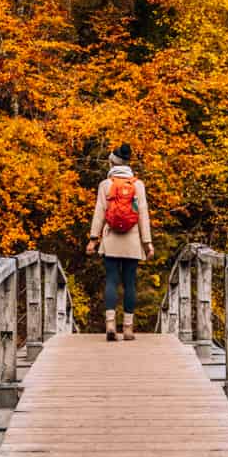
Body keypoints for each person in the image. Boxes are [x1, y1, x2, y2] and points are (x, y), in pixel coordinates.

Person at [86, 143, 153, 341]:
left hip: (111, 240)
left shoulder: (105, 185)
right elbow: (143, 216)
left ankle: (110, 325)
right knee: (130, 283)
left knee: (112, 281)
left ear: (112, 163)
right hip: (132, 242)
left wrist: (93, 239)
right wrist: (147, 243)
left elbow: (99, 213)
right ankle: (129, 329)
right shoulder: (137, 185)